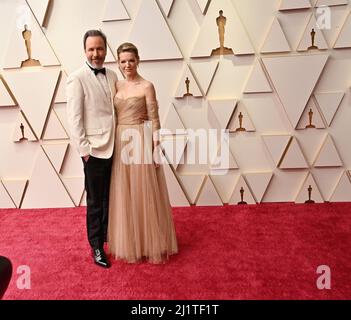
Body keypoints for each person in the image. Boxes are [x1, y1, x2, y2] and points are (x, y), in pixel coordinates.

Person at [108, 42, 178, 264]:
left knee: (142, 192)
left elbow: (154, 119)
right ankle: (130, 241)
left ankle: (148, 242)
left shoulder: (147, 85)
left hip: (139, 140)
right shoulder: (116, 85)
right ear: (118, 63)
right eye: (123, 61)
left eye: (131, 60)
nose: (127, 64)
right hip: (120, 141)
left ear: (138, 60)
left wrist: (156, 147)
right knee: (124, 192)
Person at [66, 30, 118, 268]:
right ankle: (96, 246)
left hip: (115, 146)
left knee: (111, 198)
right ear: (84, 51)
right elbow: (74, 118)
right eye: (91, 49)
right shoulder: (76, 78)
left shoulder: (113, 75)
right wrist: (84, 151)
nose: (96, 54)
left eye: (99, 49)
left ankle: (109, 237)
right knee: (96, 200)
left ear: (106, 49)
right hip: (94, 151)